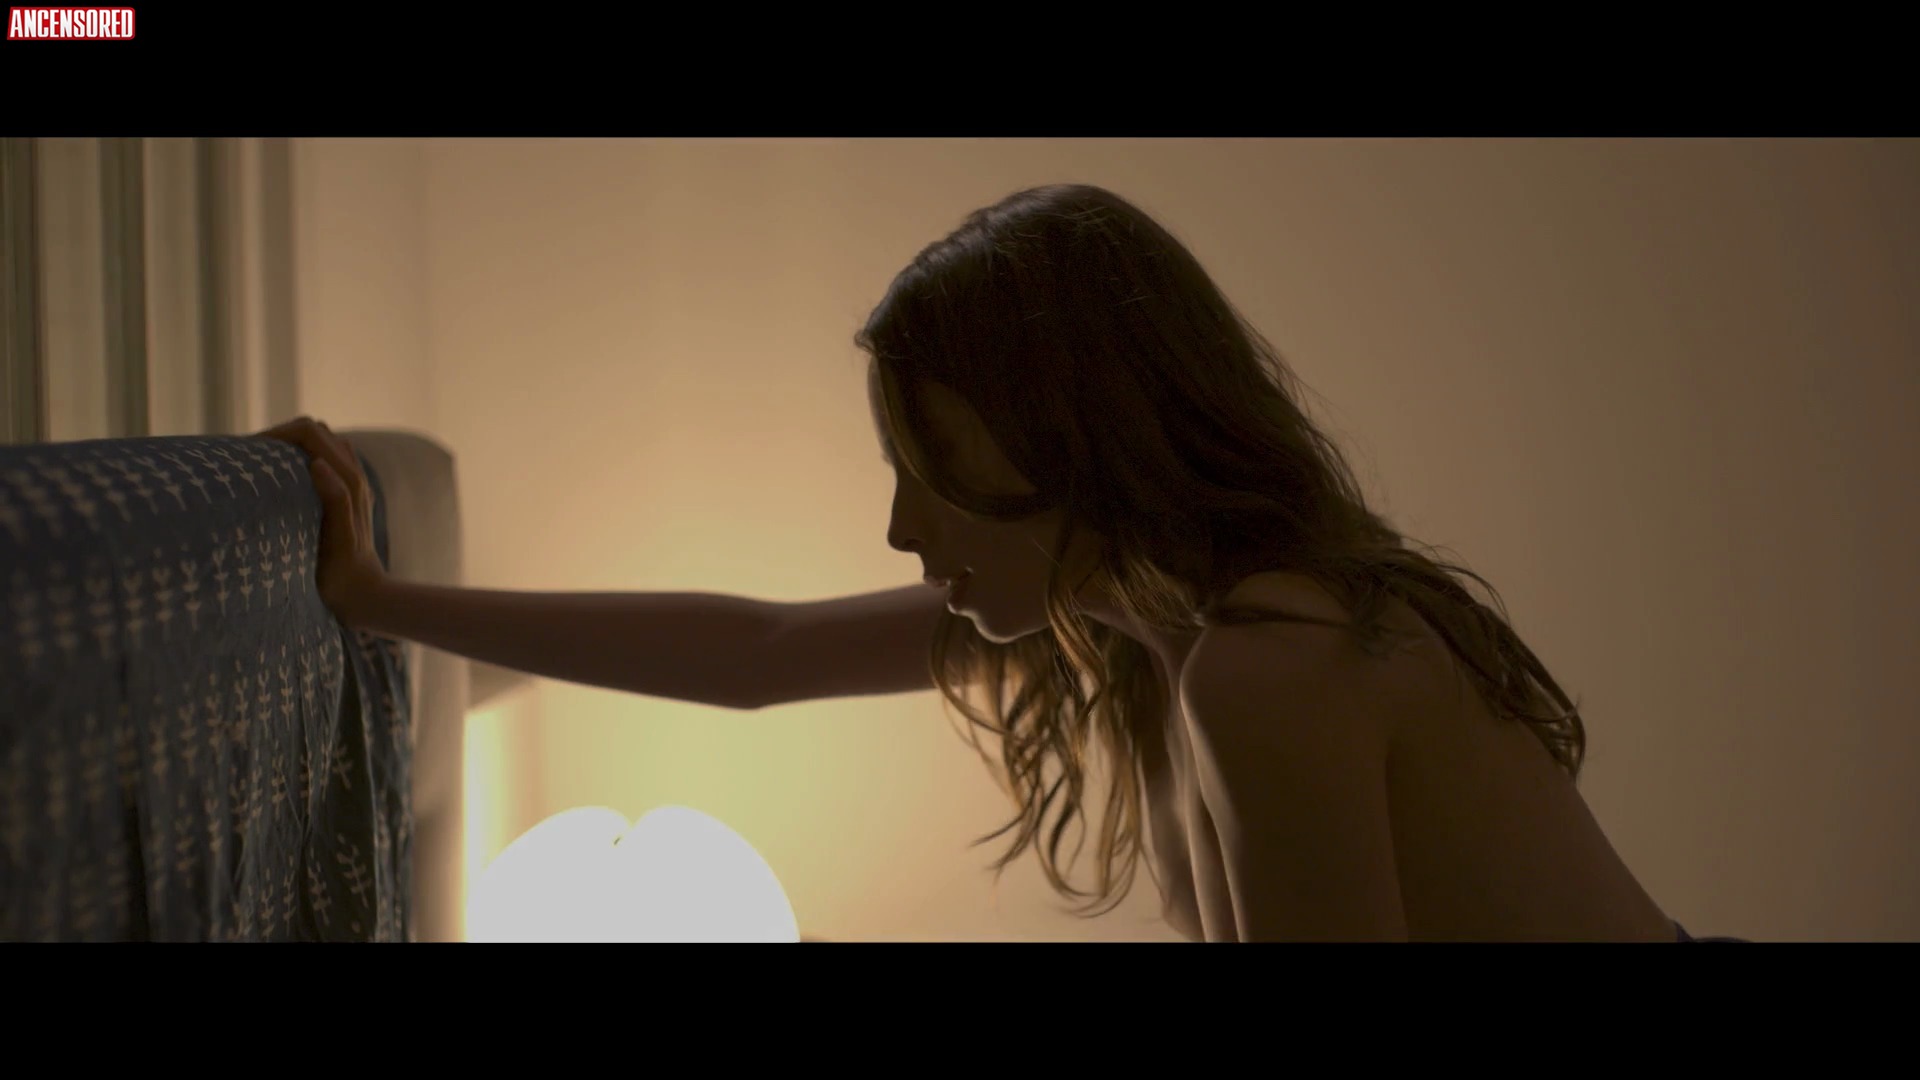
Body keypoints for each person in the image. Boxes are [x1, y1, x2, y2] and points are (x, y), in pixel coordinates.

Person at [264, 183, 1686, 943]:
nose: (903, 529)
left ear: (1076, 439)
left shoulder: (1270, 669)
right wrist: (379, 600)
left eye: (932, 468)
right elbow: (758, 654)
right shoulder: (1129, 623)